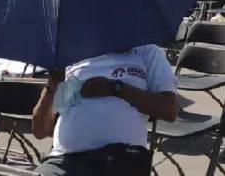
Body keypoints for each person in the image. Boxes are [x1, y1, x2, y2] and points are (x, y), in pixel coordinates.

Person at [32, 47, 179, 176]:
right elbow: (40, 130)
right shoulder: (74, 57)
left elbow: (170, 109)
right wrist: (51, 88)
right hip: (63, 161)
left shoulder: (148, 53)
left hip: (122, 158)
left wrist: (116, 89)